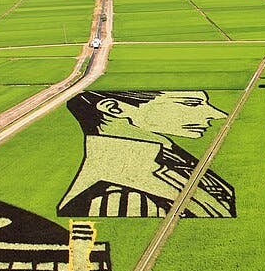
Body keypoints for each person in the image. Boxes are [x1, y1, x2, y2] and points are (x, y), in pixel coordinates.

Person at [58, 90, 235, 218]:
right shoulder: (119, 198)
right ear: (113, 109)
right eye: (191, 103)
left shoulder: (173, 159)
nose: (217, 114)